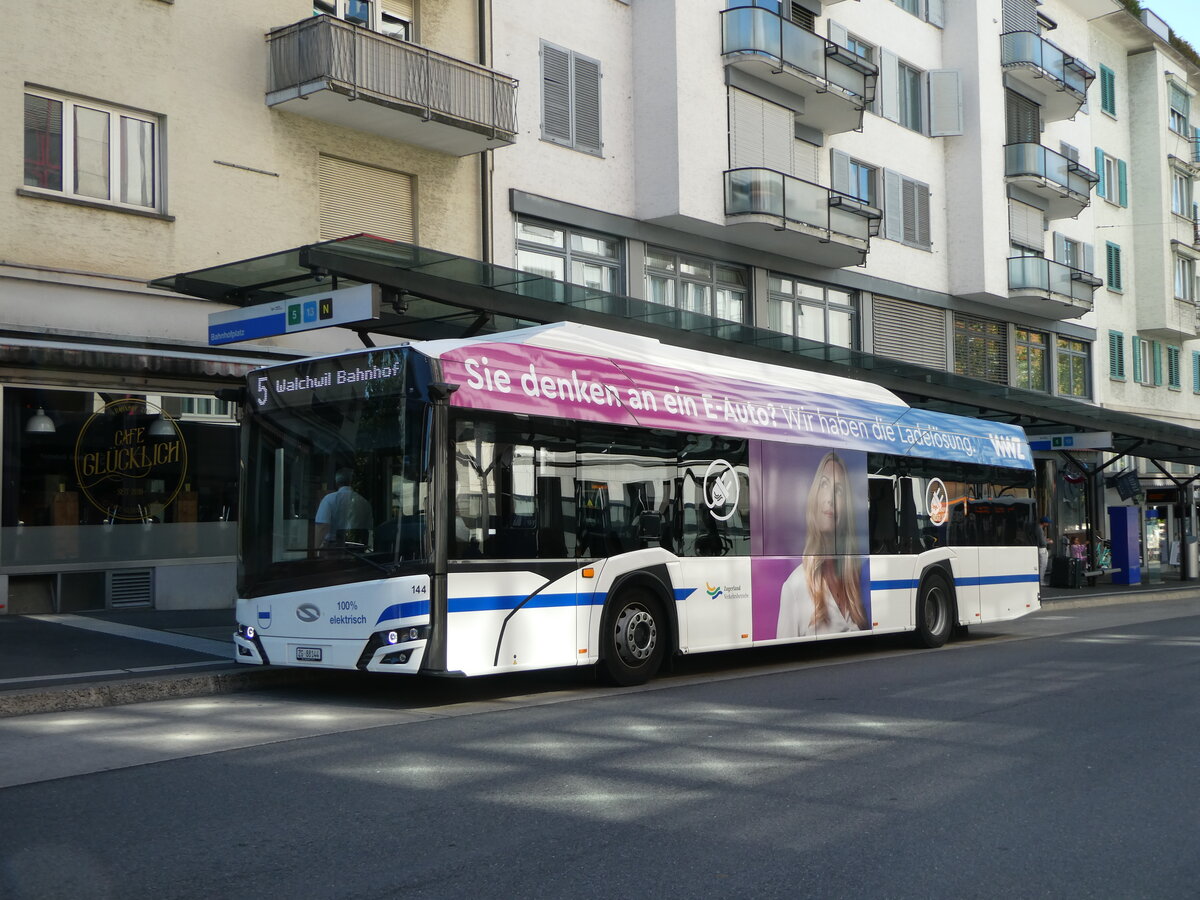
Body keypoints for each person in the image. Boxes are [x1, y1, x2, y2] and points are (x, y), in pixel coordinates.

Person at [777, 451, 867, 637]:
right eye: (824, 484)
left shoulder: (857, 581)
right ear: (814, 498)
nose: (830, 499)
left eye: (839, 490)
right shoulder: (794, 587)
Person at [314, 467, 373, 547]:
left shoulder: (328, 499)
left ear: (336, 483)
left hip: (333, 550)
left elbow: (322, 527)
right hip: (358, 549)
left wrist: (316, 550)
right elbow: (369, 529)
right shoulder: (364, 502)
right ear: (352, 482)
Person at [1037, 516, 1052, 585]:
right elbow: (1042, 542)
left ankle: (1040, 580)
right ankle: (1041, 581)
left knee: (1041, 565)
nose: (1048, 524)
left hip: (1040, 549)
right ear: (1044, 523)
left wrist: (1046, 540)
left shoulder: (1038, 528)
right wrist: (1049, 542)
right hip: (1042, 549)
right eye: (1048, 523)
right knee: (1043, 565)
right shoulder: (1040, 529)